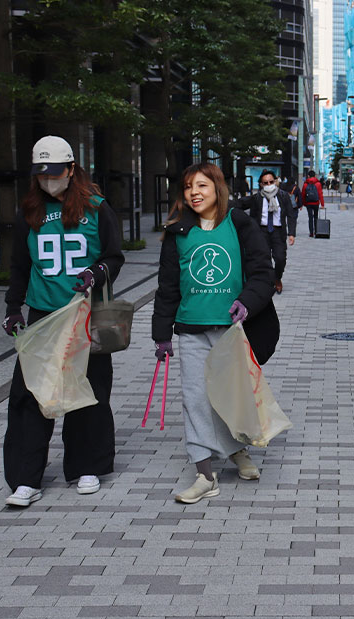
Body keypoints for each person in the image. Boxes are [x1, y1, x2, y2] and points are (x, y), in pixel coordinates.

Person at [1, 135, 124, 507]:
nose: (49, 180)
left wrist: (97, 272)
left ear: (72, 170)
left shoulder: (98, 209)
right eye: (42, 174)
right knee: (31, 393)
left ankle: (86, 465)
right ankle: (26, 478)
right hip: (43, 316)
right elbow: (20, 267)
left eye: (55, 173)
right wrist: (12, 307)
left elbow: (115, 256)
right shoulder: (30, 213)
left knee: (89, 389)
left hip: (85, 315)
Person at [152, 163, 275, 504]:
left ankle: (237, 450)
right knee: (195, 399)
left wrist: (246, 303)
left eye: (202, 185)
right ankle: (205, 473)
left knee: (231, 395)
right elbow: (167, 287)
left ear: (217, 188)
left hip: (232, 331)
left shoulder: (238, 223)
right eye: (189, 186)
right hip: (190, 329)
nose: (194, 192)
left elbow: (263, 272)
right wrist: (162, 335)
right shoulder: (177, 231)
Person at [238, 170, 296, 293]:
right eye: (265, 182)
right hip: (262, 231)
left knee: (280, 259)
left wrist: (292, 233)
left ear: (275, 181)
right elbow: (252, 215)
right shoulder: (257, 197)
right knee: (263, 259)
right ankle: (267, 282)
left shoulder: (283, 196)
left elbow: (291, 215)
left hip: (278, 231)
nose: (269, 184)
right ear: (261, 184)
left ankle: (277, 278)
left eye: (271, 181)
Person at [301, 170, 325, 237]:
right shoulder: (318, 184)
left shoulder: (306, 184)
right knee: (315, 217)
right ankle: (316, 231)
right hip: (316, 203)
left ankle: (311, 233)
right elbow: (320, 194)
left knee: (310, 217)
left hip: (308, 203)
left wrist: (303, 203)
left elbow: (303, 194)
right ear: (315, 176)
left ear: (308, 176)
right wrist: (322, 204)